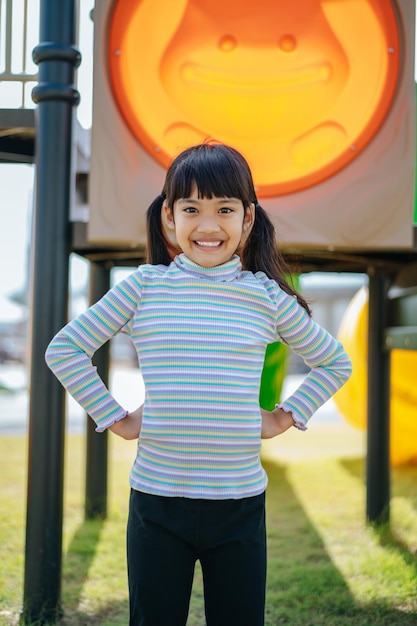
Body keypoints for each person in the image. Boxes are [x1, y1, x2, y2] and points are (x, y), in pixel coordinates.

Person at [45, 142, 352, 625]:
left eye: (225, 210)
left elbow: (335, 362)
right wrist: (116, 419)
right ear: (170, 217)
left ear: (247, 219)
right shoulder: (143, 287)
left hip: (239, 506)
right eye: (191, 209)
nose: (208, 226)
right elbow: (64, 350)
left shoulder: (266, 297)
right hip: (156, 503)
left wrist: (283, 417)